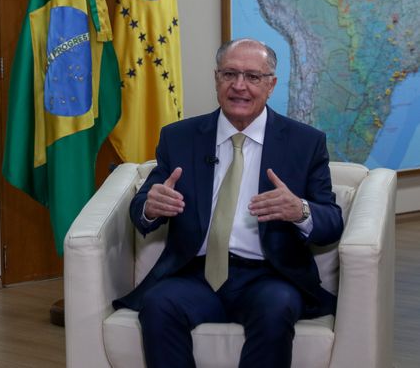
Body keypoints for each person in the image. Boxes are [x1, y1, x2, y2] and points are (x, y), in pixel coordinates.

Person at [113, 38, 344, 367]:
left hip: (270, 276)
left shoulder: (305, 143)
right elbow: (141, 210)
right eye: (230, 74)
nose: (239, 86)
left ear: (271, 85)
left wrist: (300, 211)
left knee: (276, 308)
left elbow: (331, 222)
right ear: (216, 78)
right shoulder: (178, 137)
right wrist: (151, 206)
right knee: (158, 304)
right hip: (194, 275)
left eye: (253, 77)